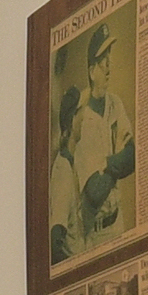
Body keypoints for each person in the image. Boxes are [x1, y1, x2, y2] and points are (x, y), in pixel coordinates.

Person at [46, 25, 134, 264]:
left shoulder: (114, 103)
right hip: (97, 233)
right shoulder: (81, 118)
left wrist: (107, 163)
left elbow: (133, 156)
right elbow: (94, 192)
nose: (108, 65)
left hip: (119, 222)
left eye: (109, 57)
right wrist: (118, 158)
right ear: (91, 69)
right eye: (102, 60)